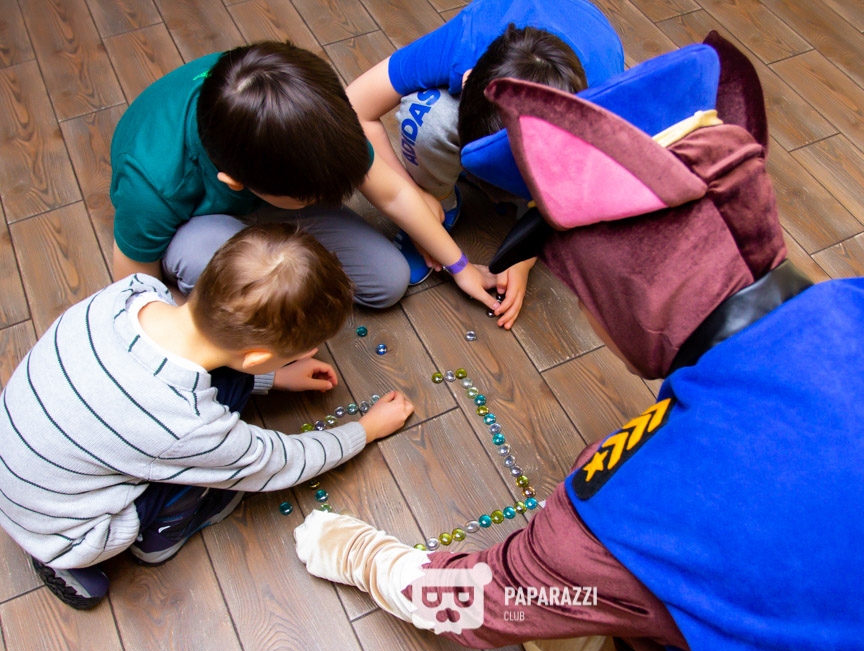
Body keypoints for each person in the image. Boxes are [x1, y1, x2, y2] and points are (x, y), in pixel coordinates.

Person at [294, 37, 864, 651]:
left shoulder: (621, 512)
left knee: (594, 636)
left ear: (616, 294)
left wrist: (357, 552)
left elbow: (475, 599)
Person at [0, 224, 415, 610]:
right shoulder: (188, 425)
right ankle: (156, 538)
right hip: (73, 531)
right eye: (296, 353)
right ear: (256, 356)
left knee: (222, 394)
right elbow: (278, 461)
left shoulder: (133, 291)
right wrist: (365, 430)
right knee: (215, 470)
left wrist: (274, 376)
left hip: (23, 459)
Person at [110, 41, 497, 312]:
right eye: (313, 196)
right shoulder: (151, 183)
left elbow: (393, 193)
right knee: (203, 261)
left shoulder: (312, 117)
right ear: (234, 181)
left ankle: (271, 251)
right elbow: (136, 295)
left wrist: (460, 266)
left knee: (388, 281)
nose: (327, 198)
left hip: (269, 189)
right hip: (197, 224)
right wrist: (244, 354)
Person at [346, 0, 624, 327]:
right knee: (427, 116)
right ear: (467, 81)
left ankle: (524, 197)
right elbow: (350, 109)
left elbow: (580, 195)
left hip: (583, 125)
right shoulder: (467, 38)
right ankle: (441, 199)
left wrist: (524, 254)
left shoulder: (606, 110)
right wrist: (414, 201)